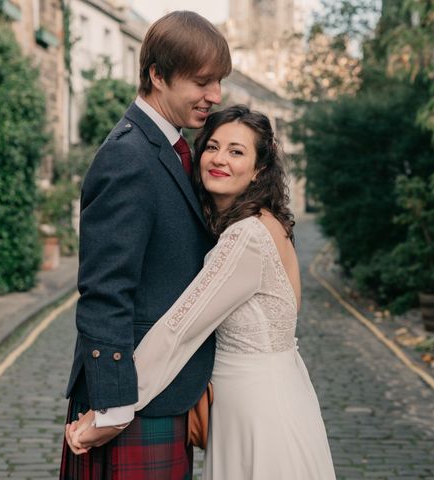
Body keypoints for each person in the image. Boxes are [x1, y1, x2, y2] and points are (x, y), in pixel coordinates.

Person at [70, 105, 337, 479]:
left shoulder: (246, 237)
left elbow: (180, 330)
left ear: (260, 169)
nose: (219, 159)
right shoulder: (263, 223)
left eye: (237, 151)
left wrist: (112, 411)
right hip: (269, 399)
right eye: (212, 147)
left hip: (258, 414)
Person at [60, 11, 232, 479]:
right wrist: (115, 407)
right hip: (131, 397)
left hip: (163, 390)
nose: (214, 96)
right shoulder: (128, 156)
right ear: (157, 75)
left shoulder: (175, 149)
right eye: (202, 82)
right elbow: (104, 288)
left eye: (218, 82)